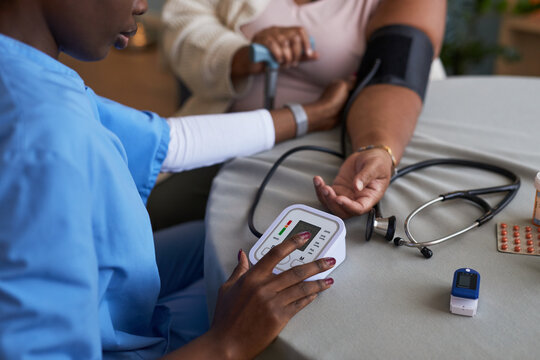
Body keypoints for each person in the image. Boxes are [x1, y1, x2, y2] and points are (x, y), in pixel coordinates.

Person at [0, 0, 351, 358]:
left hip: (103, 294)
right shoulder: (43, 137)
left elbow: (168, 139)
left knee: (228, 240)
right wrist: (227, 344)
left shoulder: (26, 73)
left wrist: (309, 116)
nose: (141, 6)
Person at [154, 0, 446, 227]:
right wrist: (243, 55)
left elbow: (394, 73)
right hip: (231, 136)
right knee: (144, 214)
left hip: (335, 151)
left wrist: (377, 148)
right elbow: (182, 22)